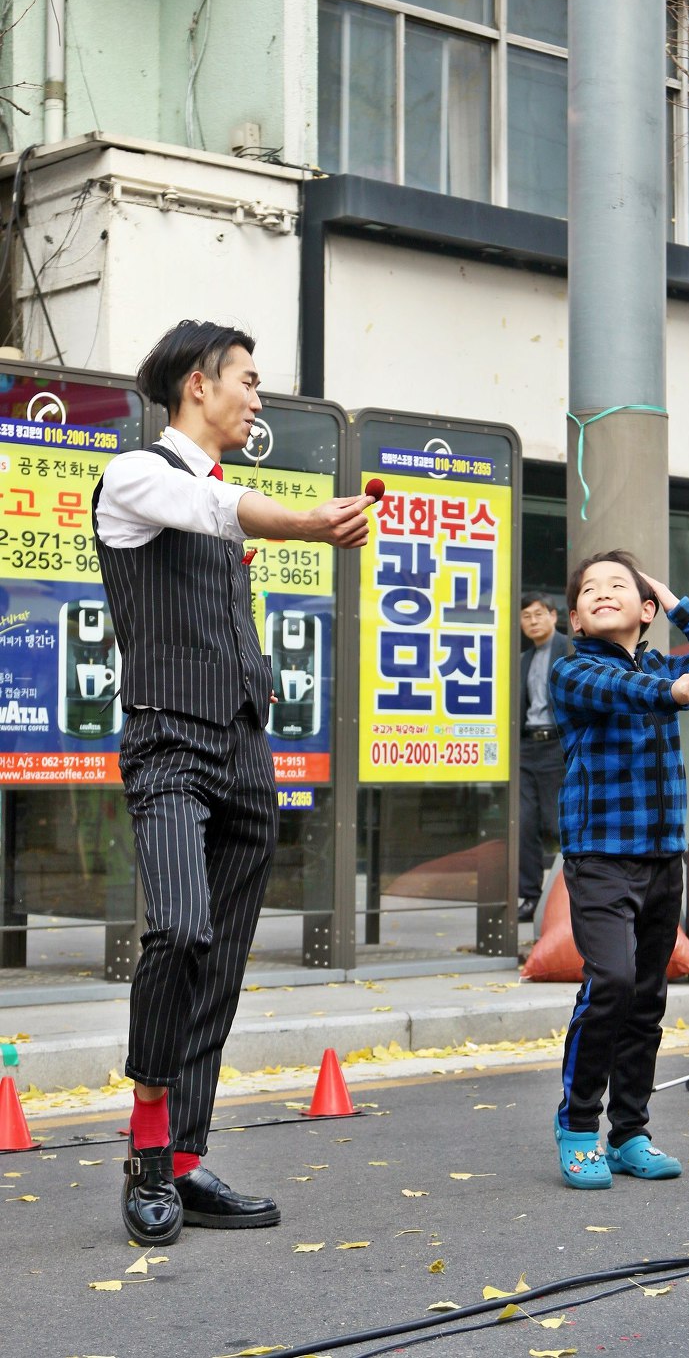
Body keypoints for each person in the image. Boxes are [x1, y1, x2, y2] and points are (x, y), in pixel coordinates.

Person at [93, 320, 373, 1244]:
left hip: (246, 754)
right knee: (180, 928)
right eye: (246, 380)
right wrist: (310, 521)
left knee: (220, 962)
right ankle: (146, 1145)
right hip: (168, 741)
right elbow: (214, 508)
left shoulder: (212, 492)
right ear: (196, 385)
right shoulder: (136, 476)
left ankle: (183, 1156)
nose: (256, 396)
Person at [549, 551, 689, 1190]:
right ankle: (578, 1127)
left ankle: (629, 1132)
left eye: (619, 586)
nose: (603, 593)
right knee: (611, 982)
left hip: (662, 857)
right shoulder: (573, 670)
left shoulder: (662, 664)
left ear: (646, 608)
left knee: (647, 998)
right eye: (590, 590)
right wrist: (672, 692)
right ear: (576, 618)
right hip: (600, 857)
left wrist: (678, 602)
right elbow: (620, 690)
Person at [517, 594, 570, 924]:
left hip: (556, 745)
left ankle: (573, 892)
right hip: (526, 747)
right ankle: (529, 897)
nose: (533, 621)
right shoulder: (523, 658)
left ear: (553, 616)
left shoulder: (568, 649)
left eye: (539, 614)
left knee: (557, 821)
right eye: (526, 616)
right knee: (523, 824)